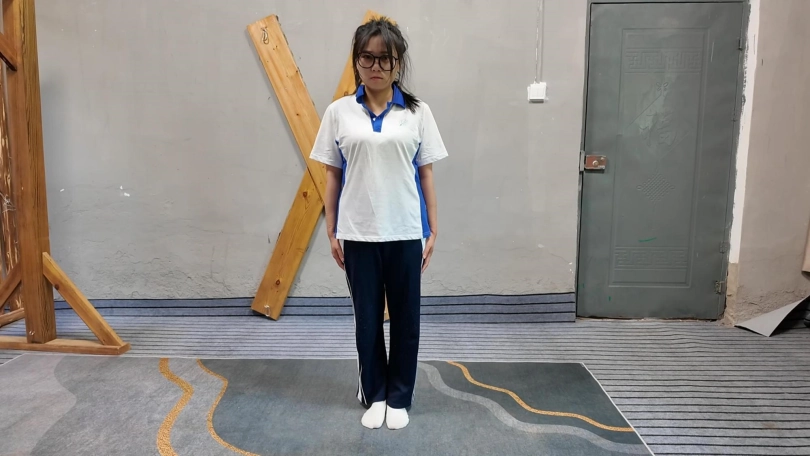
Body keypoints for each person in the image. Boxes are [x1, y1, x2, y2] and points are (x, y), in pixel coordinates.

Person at [309, 17, 448, 430]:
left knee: (406, 319)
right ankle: (376, 393)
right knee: (367, 320)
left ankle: (400, 396)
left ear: (397, 63)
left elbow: (426, 173)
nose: (375, 66)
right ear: (356, 61)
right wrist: (332, 230)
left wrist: (433, 229)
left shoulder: (417, 113)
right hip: (358, 233)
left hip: (405, 231)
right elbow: (332, 174)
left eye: (384, 58)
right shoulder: (339, 112)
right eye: (366, 58)